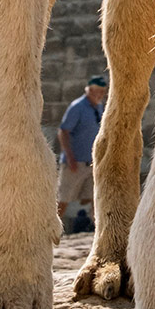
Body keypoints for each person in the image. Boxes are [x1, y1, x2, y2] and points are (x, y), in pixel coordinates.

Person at [56, 74, 108, 222]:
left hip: (92, 163)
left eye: (102, 91)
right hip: (75, 163)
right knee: (63, 199)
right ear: (89, 90)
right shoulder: (77, 107)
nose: (99, 94)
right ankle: (50, 231)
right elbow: (63, 131)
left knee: (95, 198)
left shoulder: (99, 107)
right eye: (96, 90)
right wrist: (70, 157)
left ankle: (96, 230)